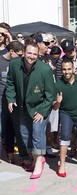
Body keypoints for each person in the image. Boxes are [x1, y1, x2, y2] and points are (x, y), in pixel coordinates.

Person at [6, 42, 56, 179]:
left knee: (38, 134)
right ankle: (32, 157)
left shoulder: (45, 70)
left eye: (35, 54)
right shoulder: (14, 64)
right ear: (23, 52)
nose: (32, 56)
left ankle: (39, 161)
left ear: (38, 54)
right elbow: (10, 83)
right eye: (29, 53)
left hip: (40, 106)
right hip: (22, 107)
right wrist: (11, 99)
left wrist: (42, 111)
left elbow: (50, 94)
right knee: (24, 134)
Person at [53, 58, 77, 177]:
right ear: (61, 70)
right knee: (65, 137)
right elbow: (54, 108)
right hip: (66, 114)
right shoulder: (58, 84)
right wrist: (58, 102)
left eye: (69, 69)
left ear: (73, 69)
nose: (67, 72)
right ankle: (62, 165)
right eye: (64, 69)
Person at [0, 41, 24, 164]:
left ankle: (10, 154)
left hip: (14, 102)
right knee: (1, 130)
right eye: (19, 55)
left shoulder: (19, 63)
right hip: (1, 102)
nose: (21, 57)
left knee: (13, 129)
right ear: (11, 52)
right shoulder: (1, 62)